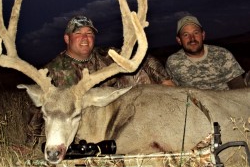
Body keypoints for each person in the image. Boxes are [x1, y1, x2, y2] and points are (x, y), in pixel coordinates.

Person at [26, 15, 174, 145]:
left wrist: (166, 82)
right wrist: (30, 142)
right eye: (78, 33)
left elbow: (142, 59)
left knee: (134, 71)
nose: (85, 38)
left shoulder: (106, 55)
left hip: (113, 113)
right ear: (67, 38)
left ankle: (160, 121)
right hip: (81, 125)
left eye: (89, 33)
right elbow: (38, 107)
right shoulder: (51, 71)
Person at [165, 15, 246, 90]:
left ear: (203, 35)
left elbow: (239, 88)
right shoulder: (173, 62)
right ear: (179, 40)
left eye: (196, 33)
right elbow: (173, 91)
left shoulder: (222, 54)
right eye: (186, 35)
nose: (192, 38)